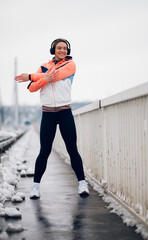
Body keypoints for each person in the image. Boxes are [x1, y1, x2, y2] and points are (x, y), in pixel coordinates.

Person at [15, 38, 89, 199]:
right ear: (53, 50)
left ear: (67, 51)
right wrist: (43, 79)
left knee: (72, 149)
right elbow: (32, 88)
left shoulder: (70, 65)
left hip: (65, 112)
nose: (62, 50)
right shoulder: (43, 67)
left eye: (64, 48)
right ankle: (35, 187)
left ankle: (82, 183)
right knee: (44, 150)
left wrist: (31, 75)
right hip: (47, 113)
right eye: (58, 48)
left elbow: (55, 76)